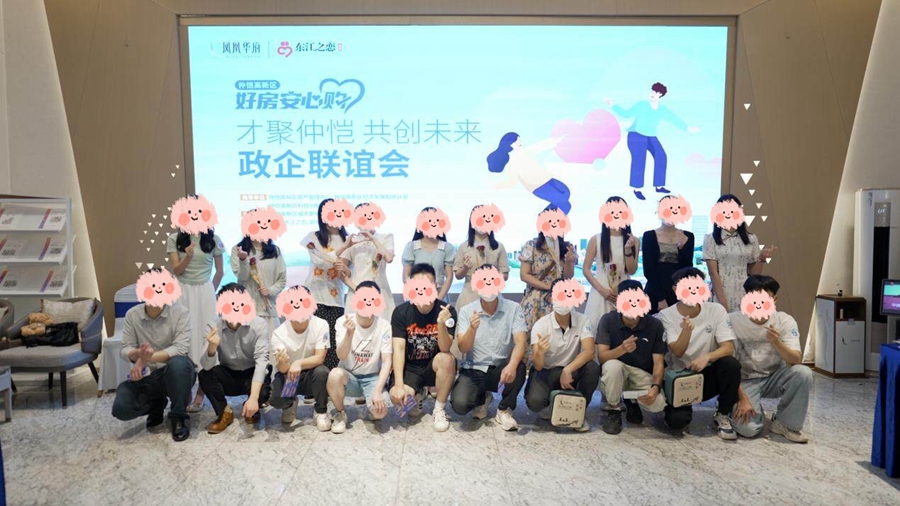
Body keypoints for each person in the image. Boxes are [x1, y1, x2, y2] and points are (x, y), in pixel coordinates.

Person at [655, 267, 741, 440]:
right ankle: (674, 407)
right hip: (679, 377)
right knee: (677, 422)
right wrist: (686, 331)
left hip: (707, 374)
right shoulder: (666, 316)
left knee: (730, 364)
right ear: (675, 290)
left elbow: (728, 347)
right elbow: (678, 352)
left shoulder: (716, 310)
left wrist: (707, 357)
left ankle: (723, 414)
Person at [112, 270, 195, 442]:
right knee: (122, 407)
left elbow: (180, 349)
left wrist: (145, 359)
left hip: (177, 373)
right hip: (148, 376)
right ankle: (156, 405)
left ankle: (178, 417)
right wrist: (137, 354)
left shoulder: (180, 312)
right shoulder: (132, 315)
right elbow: (125, 349)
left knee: (178, 364)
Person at [730, 275, 812, 443]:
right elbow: (726, 366)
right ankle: (733, 408)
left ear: (774, 299)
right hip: (743, 381)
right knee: (748, 430)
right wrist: (743, 399)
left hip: (773, 378)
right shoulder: (732, 320)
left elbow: (795, 359)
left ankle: (785, 423)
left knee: (803, 373)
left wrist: (776, 342)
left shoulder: (784, 320)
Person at [450, 265, 527, 431]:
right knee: (459, 405)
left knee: (519, 365)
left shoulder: (513, 308)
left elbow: (521, 341)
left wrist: (512, 365)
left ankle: (504, 409)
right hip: (474, 368)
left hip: (501, 369)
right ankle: (482, 398)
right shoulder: (466, 311)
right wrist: (472, 329)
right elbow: (463, 348)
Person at [389, 263, 457, 432]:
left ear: (435, 286)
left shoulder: (447, 311)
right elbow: (398, 349)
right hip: (410, 368)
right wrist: (399, 385)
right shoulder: (401, 312)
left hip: (433, 366)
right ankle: (418, 393)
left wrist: (440, 323)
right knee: (401, 407)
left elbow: (445, 348)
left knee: (448, 359)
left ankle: (439, 409)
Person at [525, 279, 600, 432]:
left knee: (592, 368)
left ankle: (579, 412)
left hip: (571, 370)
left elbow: (589, 351)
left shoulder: (583, 320)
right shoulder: (541, 325)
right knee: (534, 402)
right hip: (546, 371)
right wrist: (540, 352)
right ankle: (552, 405)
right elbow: (538, 366)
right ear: (551, 298)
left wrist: (568, 369)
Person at [166, 219, 225, 412]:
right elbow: (176, 270)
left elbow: (220, 271)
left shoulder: (214, 239)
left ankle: (201, 392)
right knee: (184, 337)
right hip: (183, 291)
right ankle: (185, 389)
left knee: (207, 337)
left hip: (205, 291)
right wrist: (188, 258)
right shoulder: (175, 238)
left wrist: (210, 291)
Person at [605, 83, 700, 201]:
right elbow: (626, 114)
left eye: (656, 92)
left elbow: (673, 118)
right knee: (639, 159)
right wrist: (613, 105)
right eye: (652, 91)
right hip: (636, 135)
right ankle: (637, 189)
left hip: (650, 136)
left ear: (661, 95)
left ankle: (659, 186)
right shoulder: (642, 105)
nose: (653, 94)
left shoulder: (662, 109)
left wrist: (687, 128)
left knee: (661, 156)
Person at [199, 283, 272, 434]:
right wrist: (211, 348)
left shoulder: (259, 325)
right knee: (204, 375)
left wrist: (253, 398)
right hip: (229, 373)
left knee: (264, 384)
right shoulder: (213, 326)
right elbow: (206, 366)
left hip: (251, 373)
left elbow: (261, 362)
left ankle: (251, 406)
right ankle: (224, 412)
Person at [596, 280, 668, 435]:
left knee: (658, 404)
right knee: (613, 365)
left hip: (641, 373)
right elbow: (602, 357)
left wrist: (656, 387)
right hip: (616, 371)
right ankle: (614, 409)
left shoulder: (655, 324)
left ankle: (632, 401)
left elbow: (658, 363)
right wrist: (621, 349)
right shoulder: (608, 320)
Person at [327, 281, 394, 434]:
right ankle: (340, 413)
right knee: (334, 375)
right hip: (348, 376)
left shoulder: (384, 326)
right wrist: (349, 334)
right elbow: (341, 355)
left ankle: (371, 407)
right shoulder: (343, 321)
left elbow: (386, 361)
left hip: (372, 378)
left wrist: (378, 391)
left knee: (380, 413)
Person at [268, 294, 333, 431]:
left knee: (322, 372)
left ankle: (321, 411)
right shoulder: (279, 332)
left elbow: (320, 357)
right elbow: (282, 369)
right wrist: (283, 362)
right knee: (276, 399)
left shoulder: (320, 324)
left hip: (311, 374)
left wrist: (298, 363)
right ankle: (289, 403)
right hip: (290, 375)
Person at [303, 198, 354, 369]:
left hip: (336, 298)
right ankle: (313, 379)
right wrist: (343, 248)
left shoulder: (348, 238)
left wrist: (345, 269)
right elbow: (321, 261)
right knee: (315, 340)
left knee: (333, 340)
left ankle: (331, 377)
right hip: (315, 296)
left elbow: (349, 270)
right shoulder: (313, 237)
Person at [703, 194, 776, 312]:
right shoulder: (710, 239)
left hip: (744, 291)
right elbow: (713, 273)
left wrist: (761, 259)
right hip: (720, 292)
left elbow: (754, 273)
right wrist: (722, 302)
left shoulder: (751, 238)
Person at [519, 205, 577, 333]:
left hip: (560, 299)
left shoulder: (567, 247)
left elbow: (568, 276)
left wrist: (569, 262)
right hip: (535, 299)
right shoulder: (531, 245)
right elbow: (524, 275)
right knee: (535, 336)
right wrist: (546, 286)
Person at [584, 196, 639, 331]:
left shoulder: (634, 240)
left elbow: (632, 270)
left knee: (623, 331)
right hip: (601, 291)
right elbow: (586, 269)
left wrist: (628, 249)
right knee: (596, 330)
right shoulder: (596, 239)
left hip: (624, 291)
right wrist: (601, 290)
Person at [488, 132, 571, 213]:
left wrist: (556, 141)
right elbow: (512, 182)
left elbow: (539, 146)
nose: (520, 142)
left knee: (565, 193)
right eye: (517, 141)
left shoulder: (525, 151)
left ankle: (544, 217)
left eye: (520, 140)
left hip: (548, 179)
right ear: (510, 144)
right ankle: (547, 219)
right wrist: (497, 185)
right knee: (565, 204)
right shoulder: (511, 162)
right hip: (538, 187)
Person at [340, 203, 396, 320]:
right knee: (354, 326)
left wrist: (373, 239)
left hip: (380, 291)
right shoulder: (351, 240)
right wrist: (356, 288)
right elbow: (341, 269)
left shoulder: (386, 237)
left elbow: (389, 258)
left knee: (382, 327)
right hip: (356, 291)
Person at [643, 197, 695, 314]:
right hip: (655, 291)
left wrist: (682, 249)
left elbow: (687, 269)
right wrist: (661, 298)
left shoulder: (687, 236)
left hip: (678, 291)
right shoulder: (649, 236)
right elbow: (648, 270)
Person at [453, 206, 510, 310]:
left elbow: (505, 275)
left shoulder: (498, 247)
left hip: (492, 295)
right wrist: (465, 268)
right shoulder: (464, 247)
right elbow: (458, 275)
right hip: (469, 294)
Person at [231, 231, 286, 337]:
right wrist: (243, 260)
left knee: (272, 345)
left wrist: (270, 290)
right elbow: (243, 276)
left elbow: (282, 280)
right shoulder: (238, 249)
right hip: (247, 310)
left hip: (269, 309)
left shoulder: (275, 250)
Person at [401, 207, 456, 302]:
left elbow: (449, 277)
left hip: (440, 294)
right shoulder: (412, 246)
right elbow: (406, 276)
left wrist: (439, 299)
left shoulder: (447, 247)